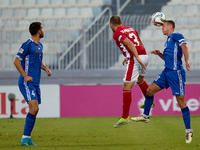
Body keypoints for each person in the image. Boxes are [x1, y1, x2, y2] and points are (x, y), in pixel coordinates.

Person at [131, 20, 193, 143]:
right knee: (149, 90)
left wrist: (187, 60)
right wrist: (159, 53)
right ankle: (145, 116)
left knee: (181, 102)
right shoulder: (168, 41)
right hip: (166, 72)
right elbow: (168, 59)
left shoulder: (176, 35)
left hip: (176, 73)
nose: (161, 28)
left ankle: (188, 130)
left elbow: (184, 46)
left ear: (170, 27)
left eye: (163, 26)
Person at [110, 15, 154, 128]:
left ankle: (125, 117)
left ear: (111, 25)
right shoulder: (131, 29)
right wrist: (137, 55)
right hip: (144, 55)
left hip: (136, 59)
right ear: (122, 22)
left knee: (126, 86)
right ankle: (149, 102)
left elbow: (129, 43)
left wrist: (136, 57)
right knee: (140, 79)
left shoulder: (117, 33)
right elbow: (139, 43)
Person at [13, 22, 52, 146]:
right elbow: (16, 61)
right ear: (39, 31)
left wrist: (46, 68)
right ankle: (25, 138)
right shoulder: (27, 45)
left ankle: (27, 137)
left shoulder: (39, 45)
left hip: (35, 83)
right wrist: (25, 76)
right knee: (34, 108)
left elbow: (38, 61)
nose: (43, 30)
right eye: (42, 28)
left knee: (36, 109)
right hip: (26, 82)